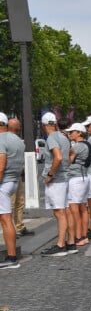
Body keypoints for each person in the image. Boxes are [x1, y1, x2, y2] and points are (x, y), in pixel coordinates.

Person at [40, 113, 75, 257]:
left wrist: (50, 174)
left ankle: (60, 245)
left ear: (43, 125)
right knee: (66, 210)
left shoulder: (53, 137)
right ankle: (71, 242)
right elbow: (72, 153)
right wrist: (66, 166)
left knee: (59, 212)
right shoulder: (64, 137)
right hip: (64, 178)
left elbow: (58, 157)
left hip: (57, 180)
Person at [0, 113, 25, 269]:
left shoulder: (1, 140)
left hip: (3, 183)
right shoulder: (17, 140)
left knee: (5, 219)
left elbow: (1, 164)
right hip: (13, 180)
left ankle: (11, 257)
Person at [7, 118, 34, 238]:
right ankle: (11, 227)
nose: (20, 127)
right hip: (8, 175)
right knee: (11, 203)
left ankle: (19, 226)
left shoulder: (17, 140)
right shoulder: (5, 140)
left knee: (19, 202)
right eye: (18, 125)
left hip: (16, 174)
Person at [66, 123, 91, 246]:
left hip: (76, 178)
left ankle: (78, 236)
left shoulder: (79, 146)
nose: (70, 134)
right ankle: (84, 235)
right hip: (83, 177)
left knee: (74, 208)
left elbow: (68, 160)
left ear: (79, 133)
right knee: (82, 208)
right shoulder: (86, 144)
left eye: (72, 132)